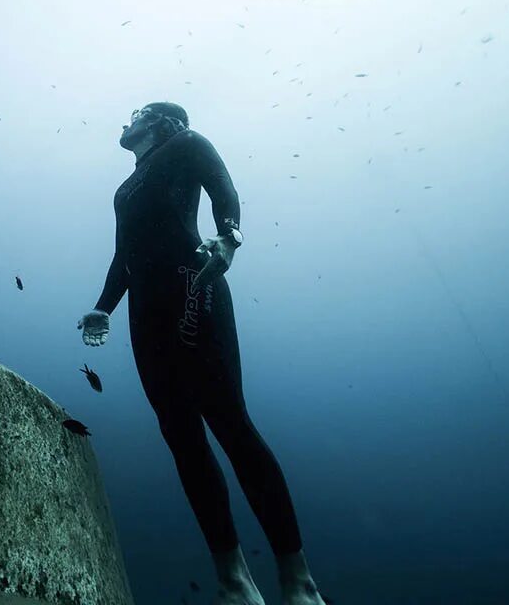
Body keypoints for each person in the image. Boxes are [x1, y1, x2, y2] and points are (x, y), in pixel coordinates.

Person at [77, 103, 327, 605]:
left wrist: (230, 238)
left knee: (231, 424)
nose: (124, 122)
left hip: (196, 285)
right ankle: (234, 580)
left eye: (135, 114)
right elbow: (123, 254)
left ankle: (298, 582)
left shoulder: (188, 145)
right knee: (181, 437)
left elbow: (223, 189)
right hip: (144, 314)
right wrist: (104, 307)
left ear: (159, 122)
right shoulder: (125, 188)